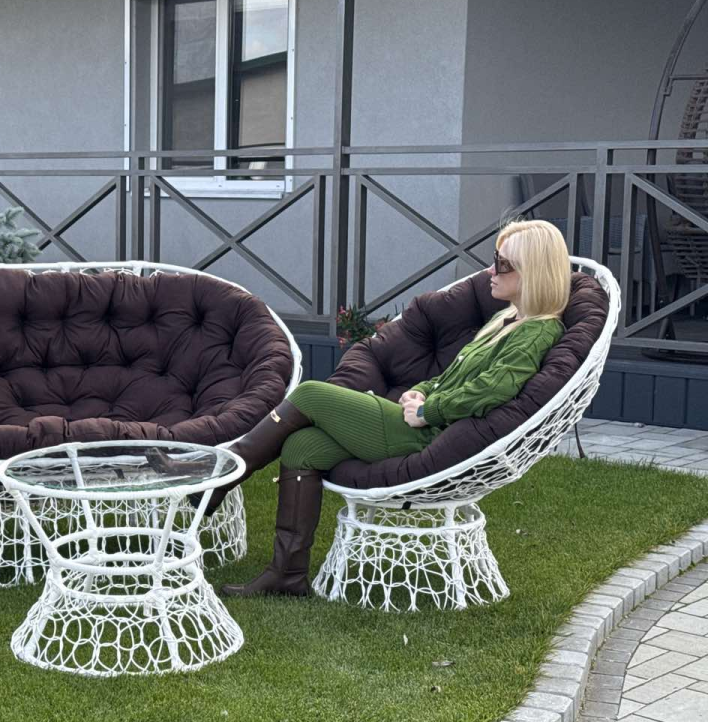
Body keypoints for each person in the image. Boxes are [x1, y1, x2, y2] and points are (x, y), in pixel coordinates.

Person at [212, 218, 571, 599]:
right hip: (423, 422)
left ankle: (225, 473)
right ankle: (286, 575)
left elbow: (494, 389)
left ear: (532, 273)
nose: (489, 272)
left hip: (430, 437)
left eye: (501, 264)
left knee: (311, 394)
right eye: (493, 259)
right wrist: (420, 393)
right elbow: (454, 376)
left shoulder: (538, 331)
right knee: (303, 447)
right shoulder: (507, 318)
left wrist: (430, 411)